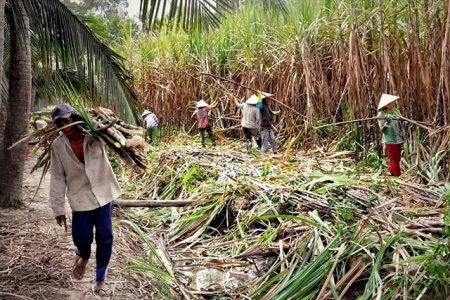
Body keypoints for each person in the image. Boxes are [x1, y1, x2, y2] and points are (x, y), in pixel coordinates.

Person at [49, 103, 121, 297]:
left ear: (74, 119)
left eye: (67, 120)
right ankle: (83, 255)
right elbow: (57, 176)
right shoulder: (58, 145)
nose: (65, 125)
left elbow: (114, 126)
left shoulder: (95, 134)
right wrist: (58, 208)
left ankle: (100, 279)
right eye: (60, 123)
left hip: (103, 192)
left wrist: (102, 114)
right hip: (79, 197)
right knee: (83, 237)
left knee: (105, 237)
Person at [377, 93, 406, 176]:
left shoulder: (396, 111)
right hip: (390, 139)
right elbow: (383, 130)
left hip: (398, 137)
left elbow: (401, 120)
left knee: (397, 157)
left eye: (392, 102)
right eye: (389, 103)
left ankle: (390, 172)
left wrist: (404, 122)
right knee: (394, 157)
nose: (391, 104)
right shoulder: (381, 114)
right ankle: (396, 174)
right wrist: (388, 122)